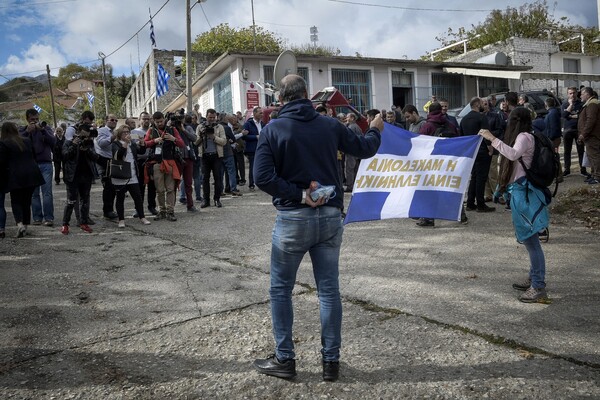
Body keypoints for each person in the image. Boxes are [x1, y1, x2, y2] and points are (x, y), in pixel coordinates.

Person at [252, 74, 382, 382]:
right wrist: (375, 130)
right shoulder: (330, 124)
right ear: (308, 95)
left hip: (293, 219)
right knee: (328, 290)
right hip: (329, 216)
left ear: (281, 99)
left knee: (281, 289)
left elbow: (261, 177)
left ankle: (285, 359)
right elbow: (364, 149)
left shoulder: (272, 130)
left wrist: (297, 194)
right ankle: (330, 363)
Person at [478, 108, 549, 303]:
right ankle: (534, 277)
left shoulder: (525, 137)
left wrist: (492, 138)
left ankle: (538, 285)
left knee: (531, 241)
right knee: (530, 240)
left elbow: (513, 154)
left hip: (524, 194)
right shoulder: (525, 136)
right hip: (519, 191)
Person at [0, 122, 45, 238]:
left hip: (16, 175)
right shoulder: (26, 140)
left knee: (16, 201)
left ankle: (19, 224)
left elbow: (2, 162)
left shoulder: (4, 143)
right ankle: (25, 225)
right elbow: (33, 156)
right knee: (26, 201)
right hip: (32, 173)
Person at [144, 112, 185, 221]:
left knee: (171, 189)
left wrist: (173, 139)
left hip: (170, 162)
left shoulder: (172, 130)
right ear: (154, 121)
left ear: (164, 119)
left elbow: (182, 144)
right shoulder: (151, 131)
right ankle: (161, 211)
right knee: (159, 189)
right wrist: (154, 141)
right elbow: (145, 143)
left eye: (161, 121)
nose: (159, 123)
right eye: (157, 122)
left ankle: (170, 211)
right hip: (156, 163)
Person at [19, 108, 56, 227]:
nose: (35, 122)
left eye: (36, 119)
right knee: (34, 194)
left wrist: (43, 130)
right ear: (27, 119)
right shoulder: (23, 130)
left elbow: (53, 141)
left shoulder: (45, 128)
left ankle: (49, 218)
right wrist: (27, 132)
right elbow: (18, 142)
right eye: (32, 120)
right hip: (31, 165)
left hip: (45, 163)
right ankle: (37, 218)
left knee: (47, 193)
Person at [60, 123, 98, 235]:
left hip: (86, 176)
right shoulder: (68, 142)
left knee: (85, 201)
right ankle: (65, 224)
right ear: (77, 133)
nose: (84, 139)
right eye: (82, 136)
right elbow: (64, 156)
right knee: (71, 201)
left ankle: (84, 222)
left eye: (86, 136)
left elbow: (95, 157)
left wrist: (87, 149)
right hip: (73, 176)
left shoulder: (89, 143)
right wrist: (73, 145)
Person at [110, 125, 151, 227]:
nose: (127, 134)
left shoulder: (132, 143)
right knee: (120, 198)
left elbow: (140, 151)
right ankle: (121, 220)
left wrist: (142, 144)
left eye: (128, 132)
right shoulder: (115, 144)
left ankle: (142, 217)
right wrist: (125, 144)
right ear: (119, 134)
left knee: (138, 197)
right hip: (120, 174)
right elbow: (118, 156)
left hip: (132, 175)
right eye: (124, 132)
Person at [460, 97, 494, 213]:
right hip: (482, 151)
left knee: (474, 176)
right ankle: (480, 204)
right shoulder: (481, 117)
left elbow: (462, 136)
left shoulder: (464, 119)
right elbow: (486, 135)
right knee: (481, 177)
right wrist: (490, 149)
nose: (483, 106)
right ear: (476, 105)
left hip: (471, 151)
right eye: (481, 104)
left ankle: (470, 203)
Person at [195, 109, 227, 208]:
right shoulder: (200, 127)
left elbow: (224, 141)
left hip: (216, 156)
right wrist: (201, 135)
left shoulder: (219, 127)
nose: (212, 119)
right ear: (206, 116)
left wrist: (213, 137)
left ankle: (217, 199)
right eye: (210, 117)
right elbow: (195, 142)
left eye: (214, 117)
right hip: (204, 156)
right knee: (205, 179)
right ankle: (206, 200)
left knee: (218, 178)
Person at [132, 111, 158, 216]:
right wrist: (140, 143)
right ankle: (138, 209)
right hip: (139, 162)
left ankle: (152, 207)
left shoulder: (154, 131)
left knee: (152, 186)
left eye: (148, 118)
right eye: (144, 118)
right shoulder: (134, 132)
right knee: (140, 187)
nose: (146, 120)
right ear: (139, 119)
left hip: (152, 161)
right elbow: (133, 145)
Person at [94, 114, 118, 220]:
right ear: (106, 120)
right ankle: (107, 211)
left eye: (116, 120)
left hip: (114, 161)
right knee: (108, 187)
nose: (114, 122)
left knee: (113, 188)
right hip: (103, 161)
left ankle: (110, 209)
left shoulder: (115, 131)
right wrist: (113, 137)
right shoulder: (102, 131)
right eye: (112, 120)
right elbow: (102, 144)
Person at [577, 87, 600, 185]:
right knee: (591, 156)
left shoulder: (592, 103)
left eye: (582, 94)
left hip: (592, 135)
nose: (581, 96)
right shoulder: (590, 103)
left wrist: (583, 134)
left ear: (587, 94)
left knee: (594, 156)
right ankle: (594, 175)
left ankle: (597, 176)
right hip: (590, 135)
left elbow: (591, 120)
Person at [561, 87, 585, 177]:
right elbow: (564, 115)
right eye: (570, 93)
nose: (572, 95)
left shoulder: (581, 104)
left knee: (581, 150)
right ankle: (567, 170)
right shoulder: (564, 104)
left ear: (576, 93)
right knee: (567, 151)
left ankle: (583, 169)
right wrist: (570, 106)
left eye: (574, 93)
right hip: (568, 130)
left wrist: (570, 115)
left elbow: (581, 116)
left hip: (578, 130)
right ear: (568, 94)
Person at [242, 106, 263, 191]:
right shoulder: (248, 124)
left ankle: (261, 183)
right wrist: (255, 137)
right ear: (254, 114)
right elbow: (244, 136)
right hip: (252, 149)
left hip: (261, 149)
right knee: (252, 167)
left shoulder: (262, 123)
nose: (262, 114)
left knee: (261, 167)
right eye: (260, 113)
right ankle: (251, 184)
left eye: (262, 113)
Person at [344, 113, 363, 192]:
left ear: (352, 118)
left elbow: (348, 139)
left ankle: (350, 186)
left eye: (347, 117)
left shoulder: (351, 127)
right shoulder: (357, 127)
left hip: (351, 151)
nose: (346, 118)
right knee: (355, 169)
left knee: (349, 169)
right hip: (356, 151)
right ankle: (355, 185)